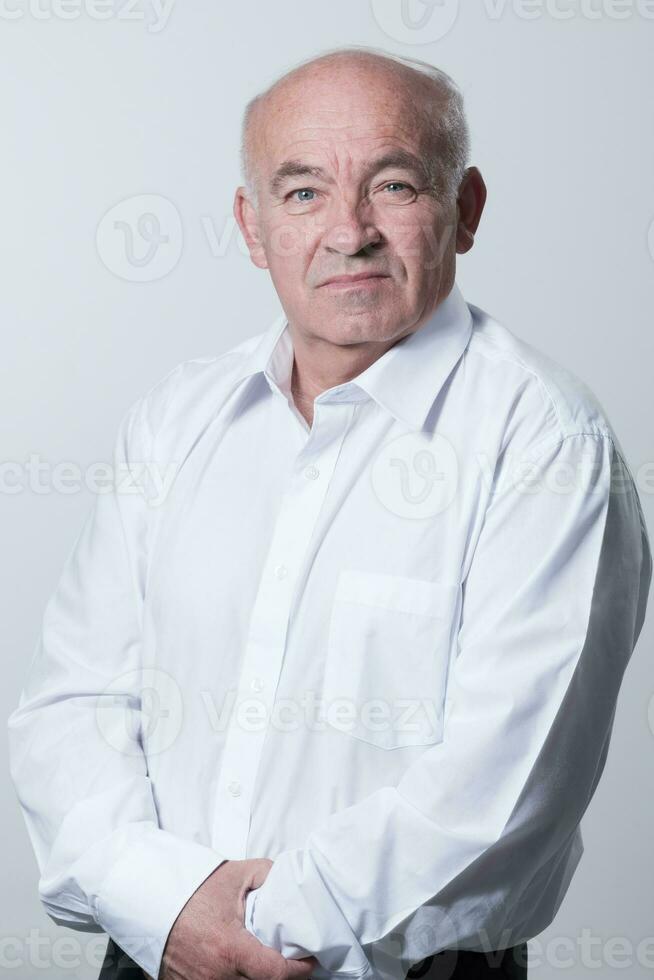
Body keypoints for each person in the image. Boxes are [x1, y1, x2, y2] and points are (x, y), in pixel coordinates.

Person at [7, 45, 651, 980]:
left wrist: (249, 933)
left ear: (465, 210)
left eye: (392, 185)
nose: (349, 232)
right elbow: (72, 704)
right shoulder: (176, 420)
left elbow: (501, 797)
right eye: (302, 193)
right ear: (251, 224)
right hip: (156, 951)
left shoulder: (547, 443)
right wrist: (168, 906)